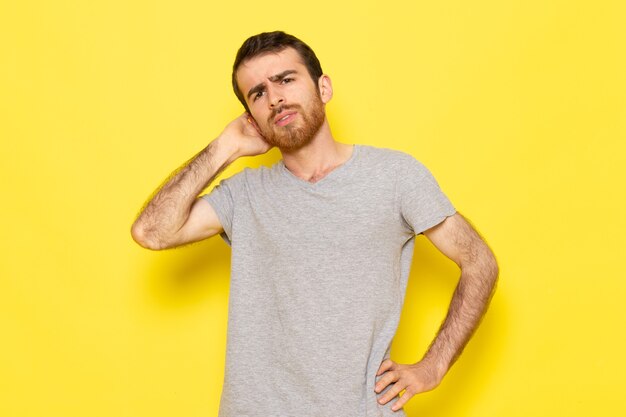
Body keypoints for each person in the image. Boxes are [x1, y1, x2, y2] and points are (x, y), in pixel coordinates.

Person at [131, 31, 499, 417]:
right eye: (257, 93)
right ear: (251, 116)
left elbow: (480, 262)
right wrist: (225, 148)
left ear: (323, 87)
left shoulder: (395, 177)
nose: (274, 98)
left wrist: (433, 366)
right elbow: (151, 232)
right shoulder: (244, 195)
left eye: (286, 80)